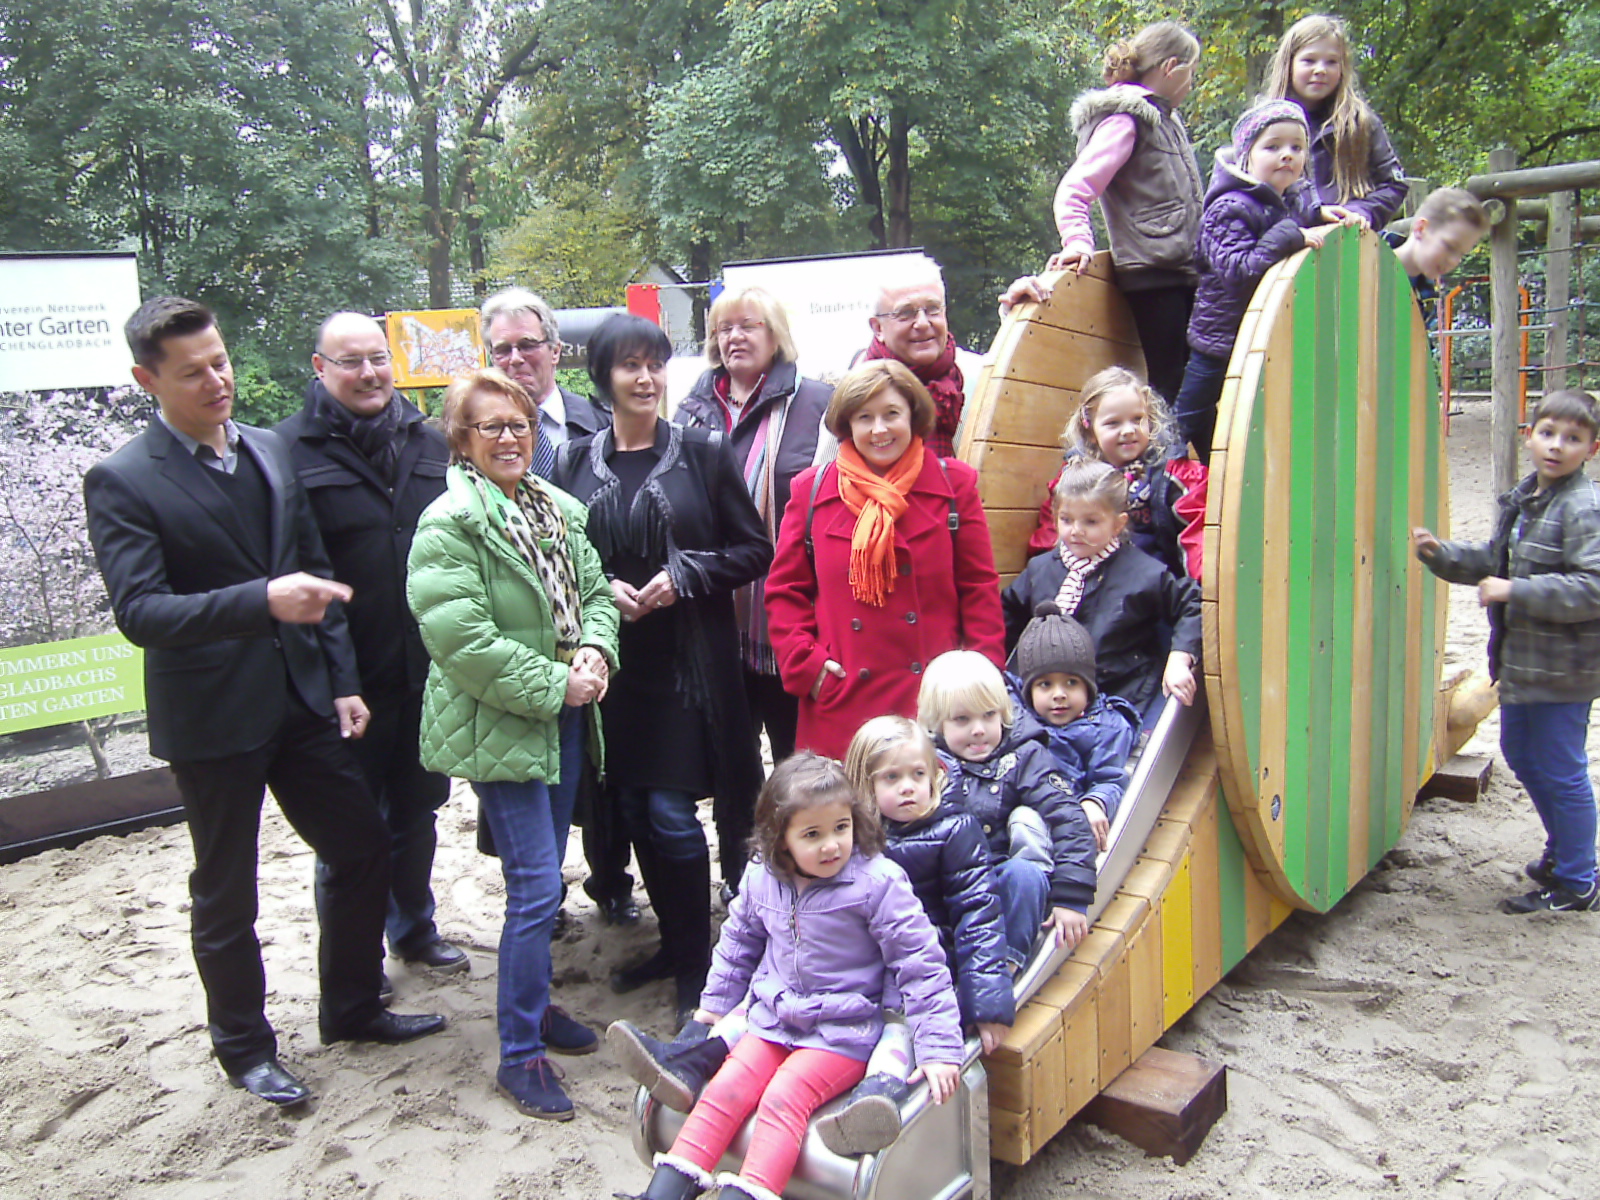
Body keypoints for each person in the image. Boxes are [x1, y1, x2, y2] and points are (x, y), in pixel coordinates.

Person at [83, 297, 445, 1110]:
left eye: (221, 361)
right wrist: (261, 600)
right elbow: (140, 613)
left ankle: (351, 1007)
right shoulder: (123, 478)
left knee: (362, 845)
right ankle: (244, 1048)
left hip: (304, 701)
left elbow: (316, 572)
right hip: (213, 718)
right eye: (193, 371)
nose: (217, 380)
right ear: (148, 380)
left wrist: (343, 680)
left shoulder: (267, 451)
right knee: (226, 889)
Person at [407, 367, 619, 1119]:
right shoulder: (448, 523)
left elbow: (595, 594)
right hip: (505, 719)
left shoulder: (556, 508)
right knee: (534, 889)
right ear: (461, 442)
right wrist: (554, 682)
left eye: (519, 423)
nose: (509, 437)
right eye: (489, 426)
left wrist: (595, 651)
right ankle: (520, 1051)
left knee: (547, 875)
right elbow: (460, 639)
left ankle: (535, 1008)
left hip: (564, 709)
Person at [555, 313, 772, 1027]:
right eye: (629, 366)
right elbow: (557, 560)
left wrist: (685, 574)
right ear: (604, 378)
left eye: (655, 364)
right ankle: (674, 945)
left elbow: (754, 550)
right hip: (612, 672)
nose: (646, 378)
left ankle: (696, 967)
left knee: (674, 818)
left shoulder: (704, 453)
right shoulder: (574, 462)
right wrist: (600, 589)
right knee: (636, 813)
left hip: (689, 672)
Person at [617, 753, 964, 1200]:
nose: (832, 845)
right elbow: (739, 940)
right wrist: (713, 1008)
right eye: (812, 835)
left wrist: (937, 1048)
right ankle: (664, 1192)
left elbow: (921, 964)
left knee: (783, 1098)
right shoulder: (764, 877)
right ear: (780, 840)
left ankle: (746, 1194)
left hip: (842, 1031)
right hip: (774, 1019)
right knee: (724, 1088)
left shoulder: (877, 882)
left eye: (841, 828)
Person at [275, 312, 465, 983]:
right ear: (320, 369)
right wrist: (333, 678)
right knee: (350, 835)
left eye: (378, 358)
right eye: (349, 361)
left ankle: (413, 929)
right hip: (341, 683)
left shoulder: (431, 441)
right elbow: (293, 568)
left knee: (417, 813)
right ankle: (357, 965)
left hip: (423, 675)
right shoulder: (286, 452)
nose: (368, 373)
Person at [1413, 389, 1600, 913]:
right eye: (1548, 433)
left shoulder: (1582, 509)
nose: (1557, 446)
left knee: (1559, 767)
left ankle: (1577, 879)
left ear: (1592, 449)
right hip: (1524, 664)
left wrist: (1514, 590)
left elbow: (1592, 587)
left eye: (1573, 438)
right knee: (1522, 754)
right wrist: (1439, 555)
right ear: (1529, 434)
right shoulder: (1528, 500)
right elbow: (1494, 559)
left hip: (1565, 669)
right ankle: (1565, 853)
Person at [480, 287, 632, 926]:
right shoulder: (469, 438)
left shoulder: (599, 421)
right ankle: (543, 899)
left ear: (555, 350)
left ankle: (611, 883)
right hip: (514, 648)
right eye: (502, 348)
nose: (517, 359)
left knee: (599, 777)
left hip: (594, 633)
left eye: (528, 345)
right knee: (524, 789)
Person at [765, 359, 1006, 761]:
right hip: (844, 704)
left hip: (937, 704)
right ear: (847, 424)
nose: (879, 430)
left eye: (891, 414)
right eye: (865, 417)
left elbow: (979, 589)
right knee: (847, 821)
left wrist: (979, 681)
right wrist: (811, 670)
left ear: (912, 416)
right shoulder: (811, 491)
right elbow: (784, 592)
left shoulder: (953, 486)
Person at [675, 286, 834, 892]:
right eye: (724, 328)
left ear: (777, 334)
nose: (734, 337)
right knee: (732, 766)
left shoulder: (815, 401)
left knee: (799, 759)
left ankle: (805, 873)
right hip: (717, 619)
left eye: (750, 325)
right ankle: (742, 881)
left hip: (791, 619)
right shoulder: (691, 410)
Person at [1171, 99, 1348, 457]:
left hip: (1266, 336)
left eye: (1296, 148)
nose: (1287, 155)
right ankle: (1152, 483)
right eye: (1273, 147)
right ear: (1246, 156)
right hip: (1221, 338)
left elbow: (1293, 215)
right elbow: (1240, 270)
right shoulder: (1228, 208)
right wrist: (1289, 234)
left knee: (1244, 420)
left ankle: (1217, 485)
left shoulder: (1291, 202)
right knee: (1187, 420)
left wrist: (1317, 215)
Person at [1049, 21, 1204, 404]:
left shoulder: (1165, 120)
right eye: (1192, 73)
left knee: (1197, 379)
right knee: (1169, 381)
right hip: (1153, 271)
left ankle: (1192, 462)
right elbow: (1074, 189)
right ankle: (1164, 463)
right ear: (1172, 68)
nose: (1192, 84)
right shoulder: (1126, 119)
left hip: (1183, 269)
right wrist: (1078, 242)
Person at [918, 651, 1098, 969]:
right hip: (951, 890)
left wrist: (1072, 896)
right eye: (962, 719)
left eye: (988, 715)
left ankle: (1007, 967)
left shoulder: (1024, 757)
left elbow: (1067, 816)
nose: (978, 729)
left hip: (1003, 884)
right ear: (937, 724)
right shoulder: (926, 764)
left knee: (1024, 874)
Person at [1003, 460, 1202, 723]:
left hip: (1116, 696)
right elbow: (1006, 614)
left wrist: (1179, 658)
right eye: (1066, 520)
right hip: (1047, 699)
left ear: (1118, 524)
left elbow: (1191, 603)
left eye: (1091, 521)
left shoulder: (1144, 573)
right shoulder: (1040, 569)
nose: (1076, 530)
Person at [1027, 365, 1207, 580]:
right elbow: (1051, 536)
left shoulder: (1171, 473)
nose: (1129, 430)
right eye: (1113, 423)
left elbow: (1198, 539)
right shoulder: (1074, 477)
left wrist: (1200, 597)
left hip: (1154, 591)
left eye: (1138, 419)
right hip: (1089, 587)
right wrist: (1045, 585)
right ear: (1090, 431)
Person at [1261, 13, 1407, 230]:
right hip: (1281, 245)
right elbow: (1243, 190)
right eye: (1309, 60)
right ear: (1288, 64)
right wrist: (1312, 214)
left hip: (1345, 243)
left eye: (1331, 62)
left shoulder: (1360, 123)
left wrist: (1361, 211)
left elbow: (1394, 184)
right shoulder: (1262, 124)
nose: (1320, 70)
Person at [1007, 605, 1140, 836]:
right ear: (1029, 692)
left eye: (1071, 683)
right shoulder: (1018, 717)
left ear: (1088, 687)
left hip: (1068, 818)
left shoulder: (1106, 726)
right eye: (1045, 684)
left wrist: (1095, 802)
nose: (1059, 694)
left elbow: (1109, 777)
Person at [1382, 187, 1490, 327]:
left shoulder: (1427, 300)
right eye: (1450, 247)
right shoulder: (1361, 260)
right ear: (1421, 229)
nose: (1454, 261)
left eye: (1461, 254)